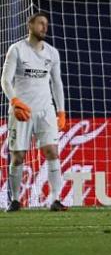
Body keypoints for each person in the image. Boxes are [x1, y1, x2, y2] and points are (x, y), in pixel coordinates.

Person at [1, 12, 68, 212]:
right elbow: (5, 80)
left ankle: (56, 199)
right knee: (18, 156)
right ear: (30, 25)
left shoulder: (52, 53)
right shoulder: (17, 50)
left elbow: (57, 83)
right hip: (22, 111)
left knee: (52, 152)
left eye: (46, 24)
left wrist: (61, 111)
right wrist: (14, 101)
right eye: (40, 23)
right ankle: (15, 200)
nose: (44, 27)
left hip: (45, 111)